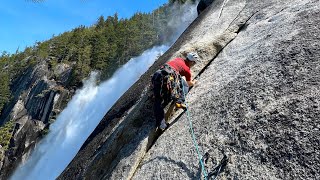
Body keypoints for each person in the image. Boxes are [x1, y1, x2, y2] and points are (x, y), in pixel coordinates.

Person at [151, 52, 200, 130]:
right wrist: (194, 82)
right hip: (167, 77)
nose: (193, 65)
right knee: (185, 85)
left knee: (158, 99)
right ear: (192, 62)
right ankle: (179, 102)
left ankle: (161, 124)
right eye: (194, 63)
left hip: (157, 74)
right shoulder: (187, 69)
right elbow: (188, 83)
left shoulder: (179, 59)